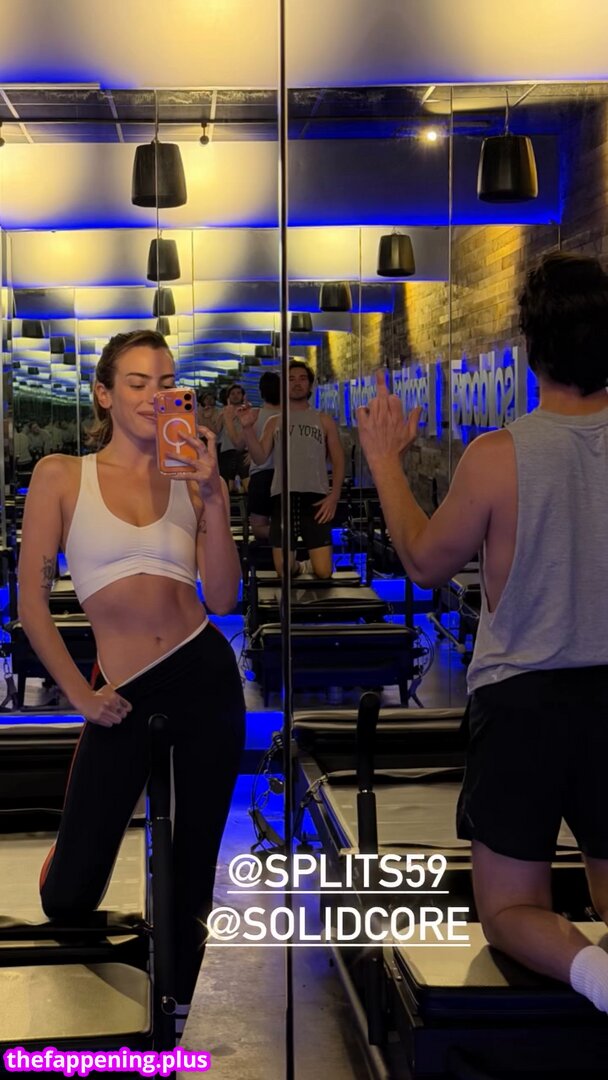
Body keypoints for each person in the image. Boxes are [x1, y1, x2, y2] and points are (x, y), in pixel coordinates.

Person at [356, 252, 608, 1015]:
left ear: (531, 346)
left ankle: (596, 977)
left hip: (523, 705)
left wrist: (384, 461)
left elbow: (424, 562)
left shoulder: (498, 457)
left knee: (510, 912)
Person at [18, 329, 245, 1031]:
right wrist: (80, 696)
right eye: (138, 383)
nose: (155, 396)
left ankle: (176, 1008)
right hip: (120, 693)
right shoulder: (62, 475)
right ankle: (67, 862)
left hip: (203, 675)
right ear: (105, 395)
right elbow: (31, 606)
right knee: (69, 895)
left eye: (167, 383)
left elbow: (224, 598)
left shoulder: (194, 478)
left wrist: (213, 497)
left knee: (192, 867)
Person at [238, 360, 344, 579]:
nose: (297, 383)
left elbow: (338, 459)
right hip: (282, 497)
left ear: (310, 384)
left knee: (324, 572)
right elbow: (259, 457)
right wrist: (247, 428)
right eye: (291, 379)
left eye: (302, 379)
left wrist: (334, 496)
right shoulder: (274, 422)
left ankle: (311, 565)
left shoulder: (323, 420)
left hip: (316, 498)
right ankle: (300, 566)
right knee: (284, 570)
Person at [243, 371, 281, 542]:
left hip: (261, 474)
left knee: (259, 528)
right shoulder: (290, 416)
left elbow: (239, 443)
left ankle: (282, 536)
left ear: (261, 391)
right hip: (285, 475)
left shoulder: (255, 415)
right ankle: (286, 536)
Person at [217, 383, 250, 493]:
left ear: (243, 395)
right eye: (233, 394)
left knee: (247, 483)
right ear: (228, 397)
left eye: (238, 393)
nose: (236, 396)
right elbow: (216, 430)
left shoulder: (248, 411)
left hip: (244, 450)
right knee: (227, 487)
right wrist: (224, 415)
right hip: (227, 451)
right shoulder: (223, 411)